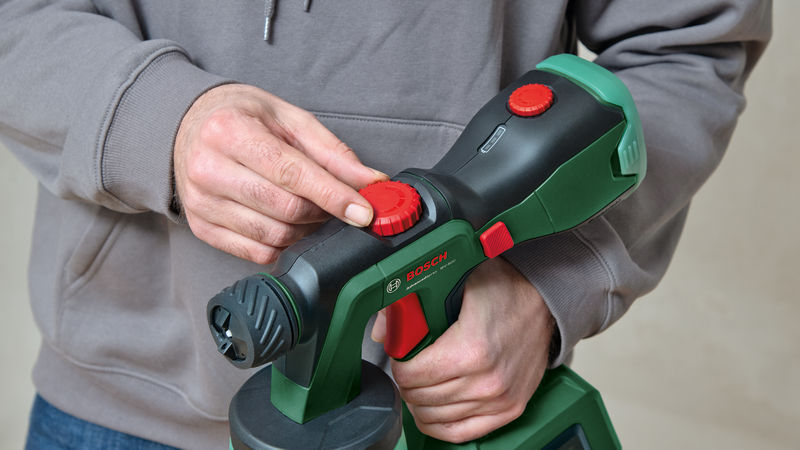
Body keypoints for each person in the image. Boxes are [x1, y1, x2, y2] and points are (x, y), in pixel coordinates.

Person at [0, 1, 770, 448]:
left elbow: (690, 44)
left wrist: (547, 285)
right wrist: (155, 123)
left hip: (459, 413)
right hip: (117, 405)